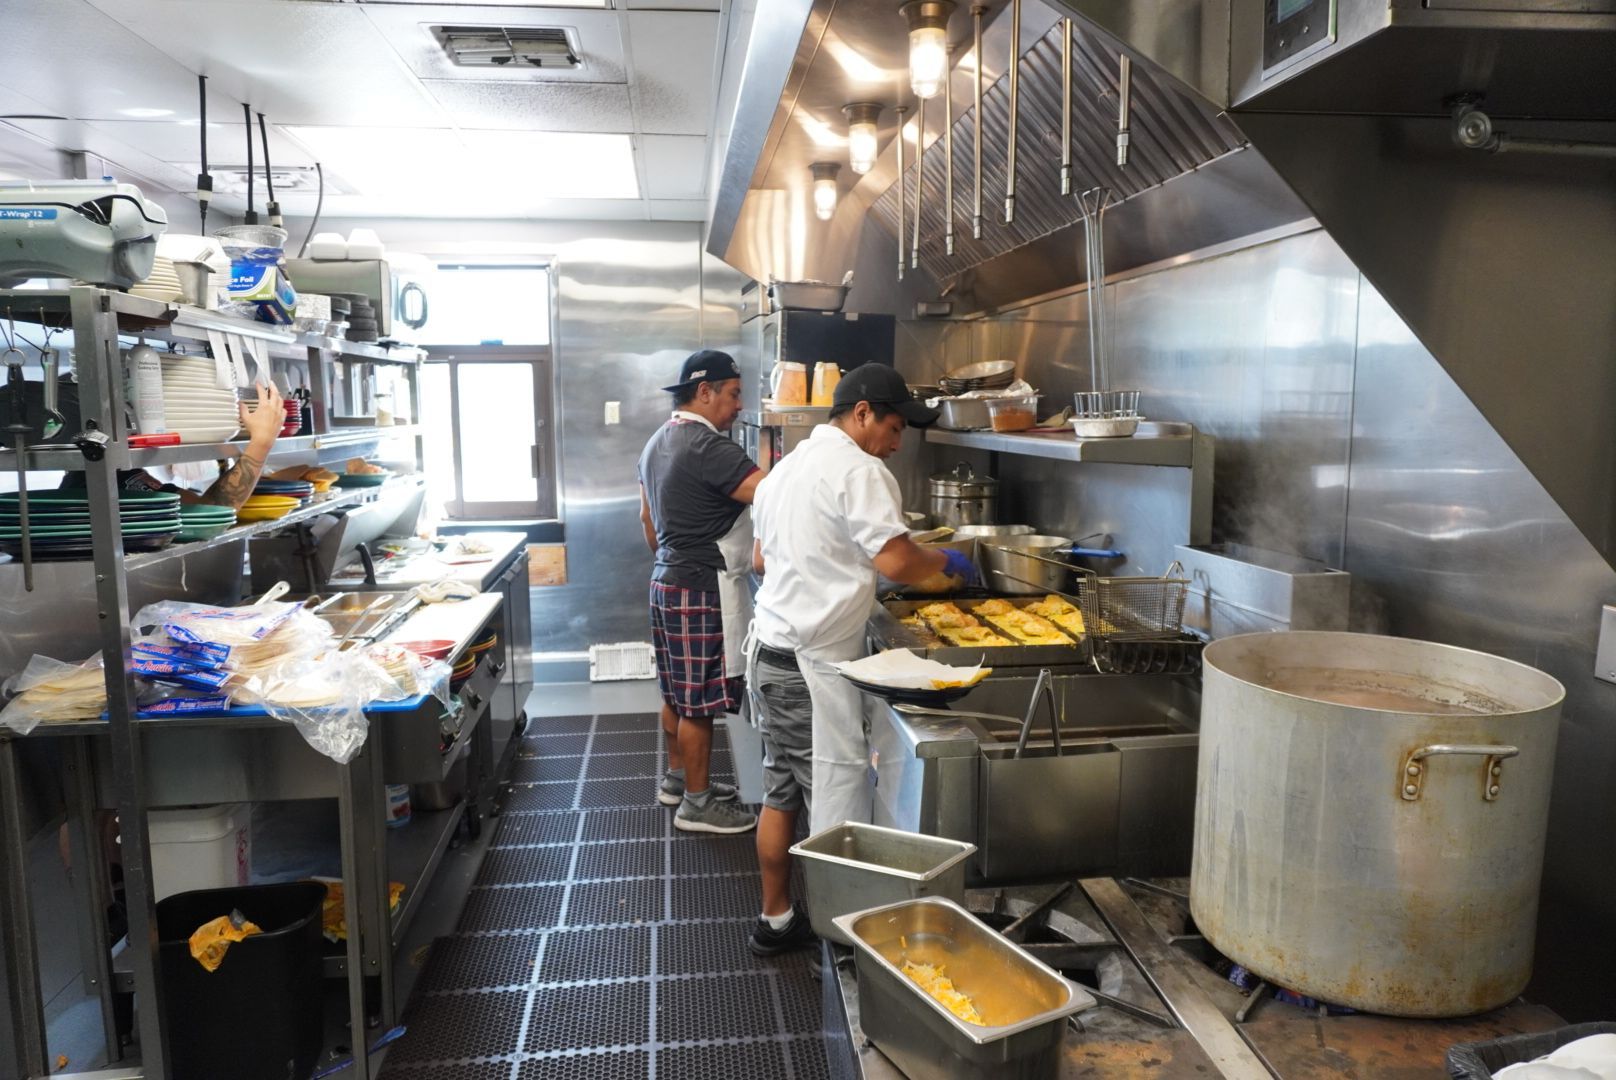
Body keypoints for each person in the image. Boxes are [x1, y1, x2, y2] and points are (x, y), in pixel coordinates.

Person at [744, 364, 978, 954]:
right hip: (809, 668)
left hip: (770, 658)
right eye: (895, 428)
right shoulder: (859, 469)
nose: (898, 445)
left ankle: (776, 920)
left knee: (780, 793)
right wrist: (947, 567)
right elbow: (898, 561)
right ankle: (839, 941)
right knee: (835, 802)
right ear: (863, 413)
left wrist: (828, 566)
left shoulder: (785, 469)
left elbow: (759, 560)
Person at [637, 350, 763, 835]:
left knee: (676, 691)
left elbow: (648, 523)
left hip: (665, 581)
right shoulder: (710, 448)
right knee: (700, 702)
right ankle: (698, 803)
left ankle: (678, 779)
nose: (737, 407)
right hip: (699, 588)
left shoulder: (656, 443)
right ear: (704, 391)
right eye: (733, 395)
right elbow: (774, 495)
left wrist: (675, 552)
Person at [59, 381, 287, 507]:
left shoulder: (121, 474)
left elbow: (205, 507)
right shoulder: (88, 486)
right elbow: (211, 511)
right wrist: (261, 442)